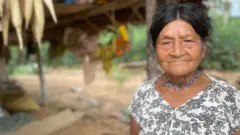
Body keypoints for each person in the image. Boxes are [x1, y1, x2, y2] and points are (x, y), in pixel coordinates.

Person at [129, 3, 240, 135]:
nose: (177, 52)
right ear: (154, 49)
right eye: (166, 42)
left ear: (203, 48)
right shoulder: (142, 95)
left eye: (187, 41)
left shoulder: (229, 98)